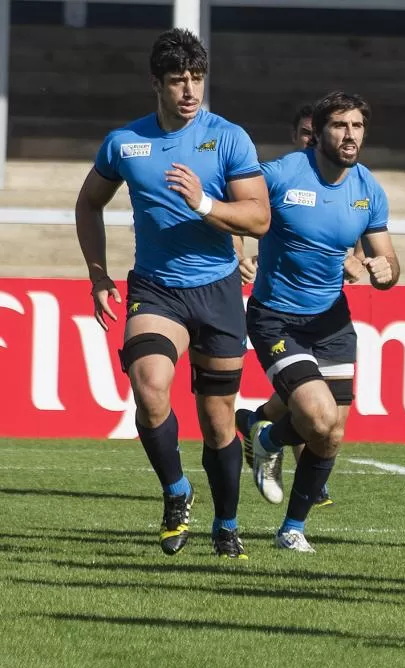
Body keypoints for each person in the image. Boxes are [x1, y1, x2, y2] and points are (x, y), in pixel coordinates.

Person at [74, 29, 270, 558]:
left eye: (197, 79)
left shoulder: (228, 138)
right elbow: (88, 204)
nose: (190, 91)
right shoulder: (125, 143)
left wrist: (206, 204)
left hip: (218, 290)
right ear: (156, 84)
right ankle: (176, 490)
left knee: (217, 421)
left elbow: (259, 217)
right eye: (178, 80)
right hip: (156, 290)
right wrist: (98, 276)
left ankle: (226, 523)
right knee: (150, 384)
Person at [238, 92, 399, 552]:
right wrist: (238, 254)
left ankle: (292, 527)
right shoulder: (283, 173)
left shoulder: (368, 189)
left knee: (331, 433)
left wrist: (386, 271)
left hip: (332, 322)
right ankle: (266, 435)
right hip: (276, 318)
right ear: (319, 131)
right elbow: (239, 209)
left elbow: (385, 257)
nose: (350, 135)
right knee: (319, 416)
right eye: (339, 126)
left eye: (357, 126)